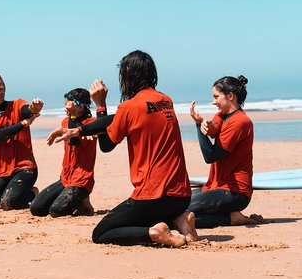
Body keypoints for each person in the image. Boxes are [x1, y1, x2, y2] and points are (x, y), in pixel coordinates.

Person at [47, 51, 197, 247]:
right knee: (141, 216)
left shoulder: (129, 107)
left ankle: (155, 233)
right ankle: (179, 221)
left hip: (153, 196)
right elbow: (115, 119)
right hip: (182, 197)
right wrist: (79, 130)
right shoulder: (165, 100)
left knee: (102, 232)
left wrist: (100, 105)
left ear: (128, 77)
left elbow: (106, 145)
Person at [188, 75, 261, 227]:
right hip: (216, 186)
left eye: (216, 97)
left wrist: (198, 126)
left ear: (230, 96)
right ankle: (229, 215)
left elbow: (211, 155)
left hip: (235, 192)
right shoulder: (223, 115)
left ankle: (232, 219)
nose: (213, 102)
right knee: (176, 202)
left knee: (182, 212)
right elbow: (214, 129)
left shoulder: (240, 122)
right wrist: (204, 125)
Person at [31, 87, 114, 217]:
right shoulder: (65, 121)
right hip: (65, 178)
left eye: (68, 106)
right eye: (65, 106)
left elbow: (73, 140)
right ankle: (74, 198)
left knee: (56, 211)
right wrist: (72, 116)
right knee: (37, 208)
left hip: (82, 180)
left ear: (80, 107)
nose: (65, 109)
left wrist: (73, 115)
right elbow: (72, 128)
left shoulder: (92, 125)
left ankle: (84, 203)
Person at [0, 73, 43, 211]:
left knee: (9, 203)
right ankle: (10, 190)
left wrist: (33, 109)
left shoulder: (17, 105)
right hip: (1, 172)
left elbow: (27, 110)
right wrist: (23, 124)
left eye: (1, 89)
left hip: (25, 169)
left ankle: (31, 193)